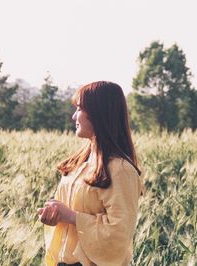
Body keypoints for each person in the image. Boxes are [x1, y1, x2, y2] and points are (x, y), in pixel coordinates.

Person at [38, 81, 143, 266]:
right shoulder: (78, 164)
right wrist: (54, 214)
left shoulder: (121, 170)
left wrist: (70, 216)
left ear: (99, 114)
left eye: (79, 108)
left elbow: (119, 233)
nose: (73, 116)